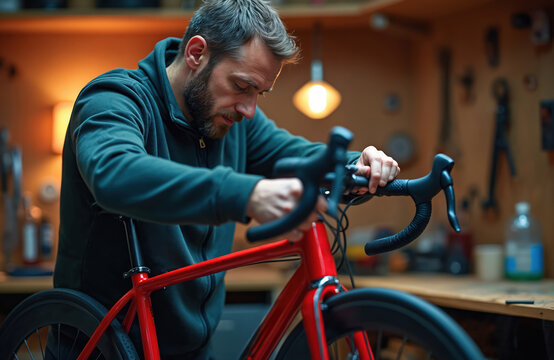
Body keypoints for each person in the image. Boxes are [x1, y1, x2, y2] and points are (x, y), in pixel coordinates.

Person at [54, 0, 400, 358]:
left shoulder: (232, 122)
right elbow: (115, 172)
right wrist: (246, 194)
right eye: (241, 86)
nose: (249, 109)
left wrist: (356, 165)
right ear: (196, 53)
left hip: (193, 349)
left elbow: (294, 155)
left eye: (258, 94)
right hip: (104, 347)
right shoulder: (115, 99)